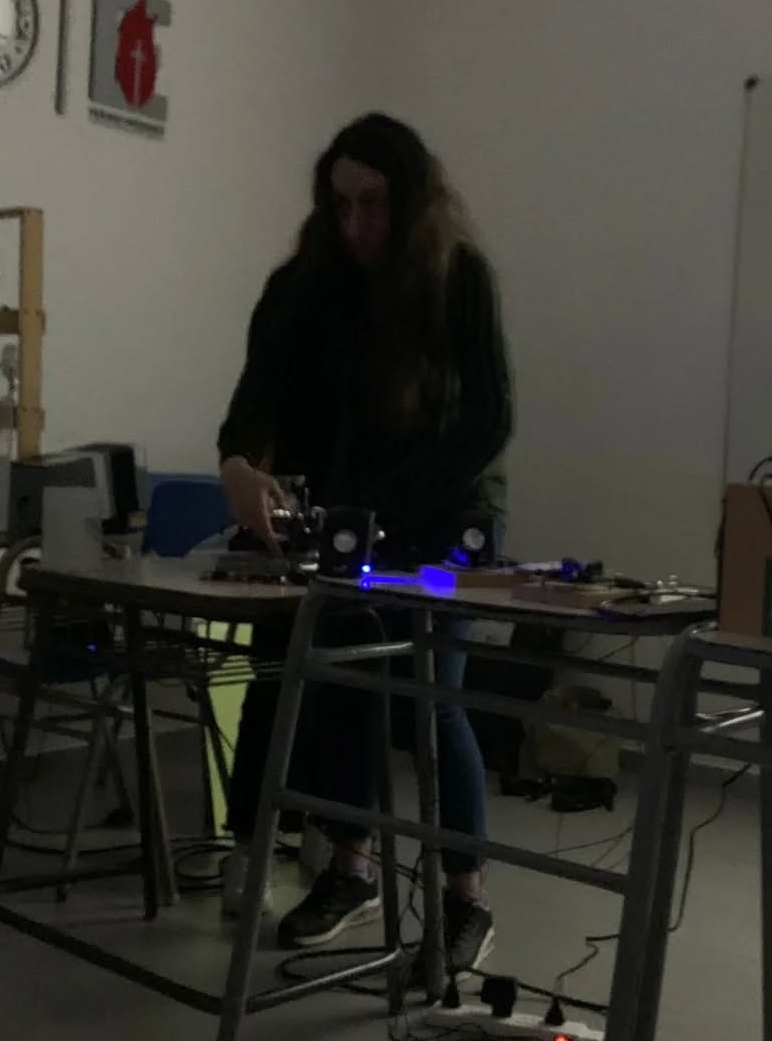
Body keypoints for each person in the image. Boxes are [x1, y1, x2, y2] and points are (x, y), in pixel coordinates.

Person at [215, 112, 513, 976]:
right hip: (354, 532)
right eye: (340, 204)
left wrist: (382, 510)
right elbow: (253, 402)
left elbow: (489, 422)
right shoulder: (304, 286)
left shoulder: (458, 279)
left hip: (446, 529)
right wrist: (238, 467)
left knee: (431, 699)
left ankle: (467, 900)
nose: (355, 224)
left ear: (412, 198)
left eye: (374, 203)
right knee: (347, 690)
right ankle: (352, 871)